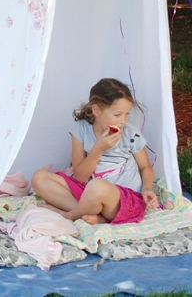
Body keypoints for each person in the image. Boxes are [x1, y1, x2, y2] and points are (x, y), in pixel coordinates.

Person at [31, 78, 159, 225]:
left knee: (97, 186)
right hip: (90, 191)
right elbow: (79, 176)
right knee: (39, 178)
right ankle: (97, 215)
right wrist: (98, 148)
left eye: (127, 114)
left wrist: (147, 188)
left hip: (122, 200)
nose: (123, 121)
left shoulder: (130, 134)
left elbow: (145, 167)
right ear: (96, 110)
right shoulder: (81, 129)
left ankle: (69, 215)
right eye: (117, 115)